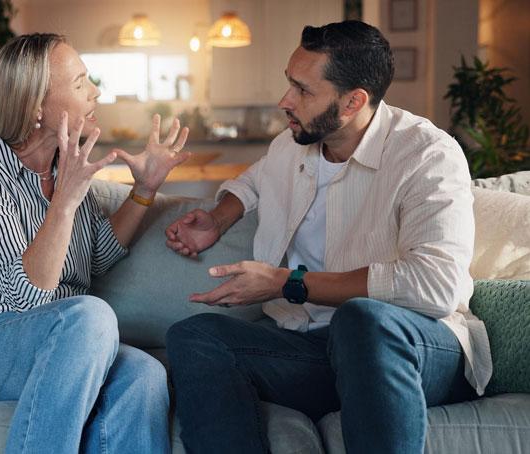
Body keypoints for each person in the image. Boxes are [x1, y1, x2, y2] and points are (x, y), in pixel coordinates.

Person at [164, 20, 491, 454]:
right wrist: (219, 218)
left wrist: (287, 283)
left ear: (354, 101)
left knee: (363, 318)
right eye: (289, 85)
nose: (285, 101)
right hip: (317, 349)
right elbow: (254, 181)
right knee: (196, 336)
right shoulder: (291, 145)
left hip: (416, 348)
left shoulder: (427, 154)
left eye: (303, 90)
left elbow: (436, 288)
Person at [0, 33, 190, 454]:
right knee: (90, 316)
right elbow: (29, 291)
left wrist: (145, 188)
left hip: (66, 340)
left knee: (145, 373)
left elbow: (99, 257)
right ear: (35, 106)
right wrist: (65, 203)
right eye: (80, 83)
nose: (96, 92)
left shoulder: (66, 169)